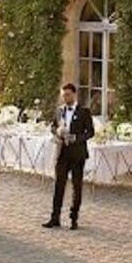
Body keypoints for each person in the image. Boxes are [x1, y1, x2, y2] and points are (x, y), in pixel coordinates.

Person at [43, 83, 95, 230]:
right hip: (62, 153)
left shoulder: (84, 112)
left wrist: (76, 138)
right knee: (59, 185)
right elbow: (53, 126)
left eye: (68, 95)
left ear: (74, 95)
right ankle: (55, 217)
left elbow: (90, 132)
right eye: (63, 95)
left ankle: (74, 218)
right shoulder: (59, 111)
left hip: (77, 154)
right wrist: (57, 131)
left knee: (76, 187)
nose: (66, 98)